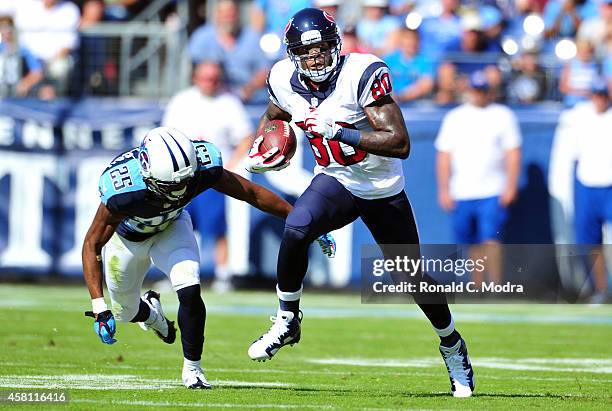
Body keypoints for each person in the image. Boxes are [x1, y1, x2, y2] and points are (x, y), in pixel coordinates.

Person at [244, 8, 475, 398]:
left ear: (336, 45)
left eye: (321, 49)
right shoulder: (282, 79)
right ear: (293, 54)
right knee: (297, 228)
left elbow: (400, 142)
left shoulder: (361, 74)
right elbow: (274, 116)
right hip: (337, 180)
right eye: (306, 51)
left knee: (411, 277)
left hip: (382, 188)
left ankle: (452, 344)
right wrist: (268, 142)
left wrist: (339, 130)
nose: (315, 58)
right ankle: (287, 319)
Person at [81, 126, 336, 389]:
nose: (180, 192)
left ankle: (193, 369)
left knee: (189, 289)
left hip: (172, 228)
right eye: (172, 185)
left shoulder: (201, 168)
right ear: (146, 171)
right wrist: (99, 307)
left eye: (184, 183)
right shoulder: (123, 189)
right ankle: (152, 315)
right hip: (127, 241)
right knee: (125, 312)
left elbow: (251, 193)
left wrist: (303, 222)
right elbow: (91, 244)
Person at [162, 61, 255, 292]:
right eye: (205, 78)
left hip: (212, 176)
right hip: (182, 177)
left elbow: (246, 136)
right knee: (176, 227)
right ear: (195, 77)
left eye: (214, 78)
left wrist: (231, 165)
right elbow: (165, 136)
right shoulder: (182, 101)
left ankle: (223, 274)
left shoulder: (229, 103)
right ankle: (175, 274)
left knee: (216, 227)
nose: (209, 83)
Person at [435, 71, 522, 289]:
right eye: (476, 90)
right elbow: (444, 155)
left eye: (483, 90)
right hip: (462, 189)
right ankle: (478, 286)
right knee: (471, 241)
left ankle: (495, 285)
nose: (479, 95)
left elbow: (513, 153)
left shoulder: (503, 115)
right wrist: (444, 189)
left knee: (490, 237)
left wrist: (510, 185)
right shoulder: (455, 117)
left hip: (492, 188)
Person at [188, 0, 270, 102]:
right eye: (224, 14)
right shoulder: (202, 37)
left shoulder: (253, 37)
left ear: (238, 14)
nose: (228, 18)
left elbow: (265, 70)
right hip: (212, 99)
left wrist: (247, 89)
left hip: (251, 100)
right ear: (216, 14)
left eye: (231, 14)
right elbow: (197, 69)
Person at [383, 28, 434, 103]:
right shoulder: (388, 60)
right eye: (407, 38)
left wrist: (402, 96)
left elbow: (426, 84)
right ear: (401, 41)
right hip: (391, 103)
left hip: (416, 105)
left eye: (414, 39)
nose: (411, 42)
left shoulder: (425, 61)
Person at [0, 15, 44, 98]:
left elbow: (37, 72)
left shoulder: (23, 50)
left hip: (17, 95)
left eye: (7, 27)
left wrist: (25, 83)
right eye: (1, 28)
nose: (4, 31)